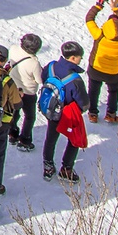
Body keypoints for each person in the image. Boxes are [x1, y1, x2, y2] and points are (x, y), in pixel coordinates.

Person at [37, 43, 89, 182]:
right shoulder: (75, 80)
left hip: (50, 108)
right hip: (66, 113)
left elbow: (44, 79)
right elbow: (84, 103)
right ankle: (66, 168)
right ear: (73, 57)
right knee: (74, 139)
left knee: (51, 137)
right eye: (80, 57)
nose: (80, 60)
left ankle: (48, 166)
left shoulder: (50, 66)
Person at [84, 0, 118, 123]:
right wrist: (116, 9)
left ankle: (92, 113)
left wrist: (98, 5)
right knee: (113, 92)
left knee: (93, 90)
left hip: (96, 67)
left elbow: (89, 18)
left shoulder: (100, 35)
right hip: (113, 71)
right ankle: (111, 114)